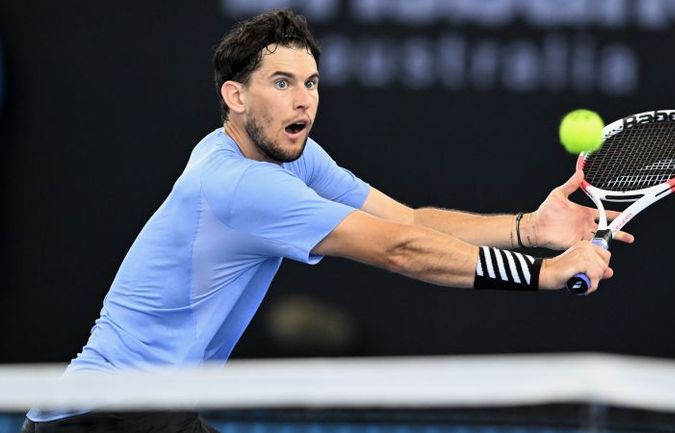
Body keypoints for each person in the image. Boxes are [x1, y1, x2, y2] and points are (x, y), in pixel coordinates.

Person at [22, 9, 633, 433]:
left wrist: (528, 228)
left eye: (310, 82)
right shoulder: (237, 183)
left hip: (148, 411)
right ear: (235, 97)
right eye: (281, 83)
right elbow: (399, 251)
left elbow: (411, 222)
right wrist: (544, 275)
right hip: (101, 417)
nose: (303, 99)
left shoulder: (293, 156)